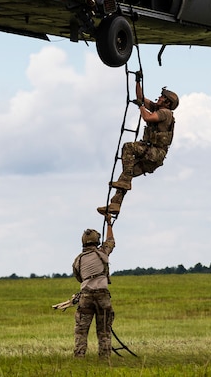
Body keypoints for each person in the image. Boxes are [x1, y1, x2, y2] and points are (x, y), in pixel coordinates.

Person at [98, 77, 178, 216]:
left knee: (128, 147)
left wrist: (141, 106)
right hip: (152, 156)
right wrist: (137, 82)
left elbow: (147, 118)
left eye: (162, 97)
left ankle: (123, 187)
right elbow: (140, 97)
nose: (159, 97)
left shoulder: (165, 113)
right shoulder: (157, 108)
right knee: (125, 177)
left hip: (154, 152)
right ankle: (114, 205)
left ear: (167, 102)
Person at [72, 218, 115, 358]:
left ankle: (79, 356)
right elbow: (111, 241)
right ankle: (105, 357)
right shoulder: (102, 252)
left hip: (85, 296)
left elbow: (79, 278)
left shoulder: (78, 260)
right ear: (97, 241)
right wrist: (109, 223)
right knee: (104, 330)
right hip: (103, 295)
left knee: (81, 330)